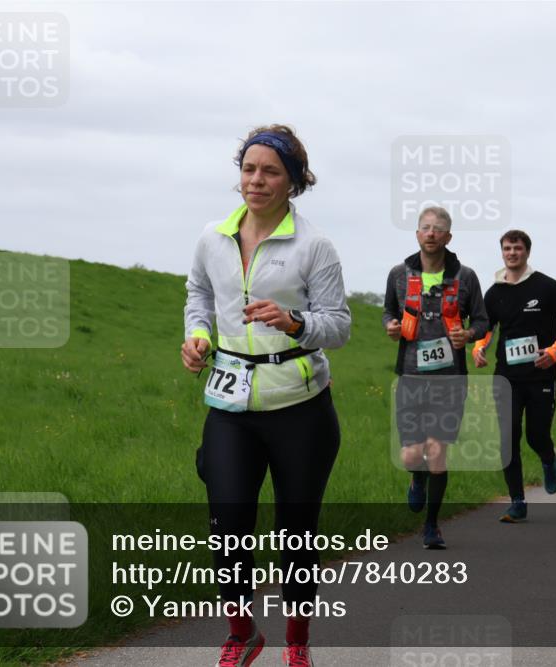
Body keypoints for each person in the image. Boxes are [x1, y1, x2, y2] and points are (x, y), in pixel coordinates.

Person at [182, 125, 351, 667]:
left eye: (270, 171)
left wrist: (295, 321)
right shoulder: (213, 237)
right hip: (230, 404)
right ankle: (242, 632)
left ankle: (297, 643)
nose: (256, 180)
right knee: (227, 520)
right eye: (249, 168)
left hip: (299, 406)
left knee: (296, 531)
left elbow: (340, 326)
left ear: (293, 181)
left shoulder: (314, 245)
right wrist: (200, 336)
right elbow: (199, 294)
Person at [383, 206, 489, 548]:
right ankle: (416, 479)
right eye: (425, 228)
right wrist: (391, 326)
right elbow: (388, 310)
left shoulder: (466, 277)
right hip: (411, 375)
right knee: (412, 455)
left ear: (448, 236)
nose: (431, 233)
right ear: (417, 234)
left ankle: (432, 526)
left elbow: (483, 321)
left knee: (437, 450)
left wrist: (469, 335)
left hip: (450, 378)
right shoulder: (399, 274)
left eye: (438, 228)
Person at [472, 230, 556, 522]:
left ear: (527, 252)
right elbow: (485, 327)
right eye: (507, 248)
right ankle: (517, 501)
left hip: (541, 374)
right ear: (502, 252)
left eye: (517, 248)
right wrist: (479, 348)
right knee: (508, 438)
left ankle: (547, 457)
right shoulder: (494, 292)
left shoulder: (547, 286)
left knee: (536, 435)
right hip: (506, 376)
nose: (512, 253)